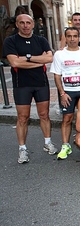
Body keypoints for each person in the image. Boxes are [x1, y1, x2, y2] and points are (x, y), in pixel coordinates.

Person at [2, 14, 57, 163]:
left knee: (44, 115)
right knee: (22, 118)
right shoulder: (10, 41)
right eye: (22, 23)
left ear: (33, 24)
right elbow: (14, 63)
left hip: (41, 83)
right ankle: (22, 149)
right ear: (17, 25)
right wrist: (38, 60)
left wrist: (26, 58)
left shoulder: (41, 40)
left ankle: (48, 143)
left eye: (28, 23)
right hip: (22, 85)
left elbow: (49, 58)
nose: (25, 25)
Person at [50, 27, 80, 160]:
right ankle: (65, 145)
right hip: (68, 92)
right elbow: (57, 76)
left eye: (75, 36)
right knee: (67, 118)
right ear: (65, 38)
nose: (72, 39)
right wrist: (62, 93)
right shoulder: (59, 54)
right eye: (69, 36)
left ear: (79, 37)